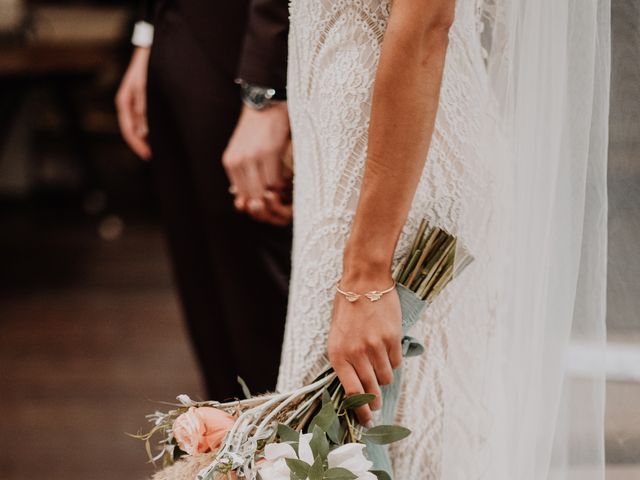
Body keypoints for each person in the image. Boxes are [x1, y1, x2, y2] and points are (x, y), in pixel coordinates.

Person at [279, 0, 609, 478]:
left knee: (372, 443)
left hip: (394, 195)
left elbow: (425, 29)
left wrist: (367, 273)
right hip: (351, 170)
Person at [115, 0, 293, 400]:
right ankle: (231, 454)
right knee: (205, 296)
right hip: (176, 32)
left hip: (245, 48)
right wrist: (149, 33)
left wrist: (268, 87)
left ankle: (288, 453)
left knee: (258, 305)